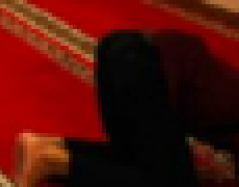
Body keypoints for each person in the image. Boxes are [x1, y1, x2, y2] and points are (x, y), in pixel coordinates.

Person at [14, 30, 239, 186]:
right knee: (173, 182)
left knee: (134, 160)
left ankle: (47, 145)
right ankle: (52, 161)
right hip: (142, 70)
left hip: (122, 51)